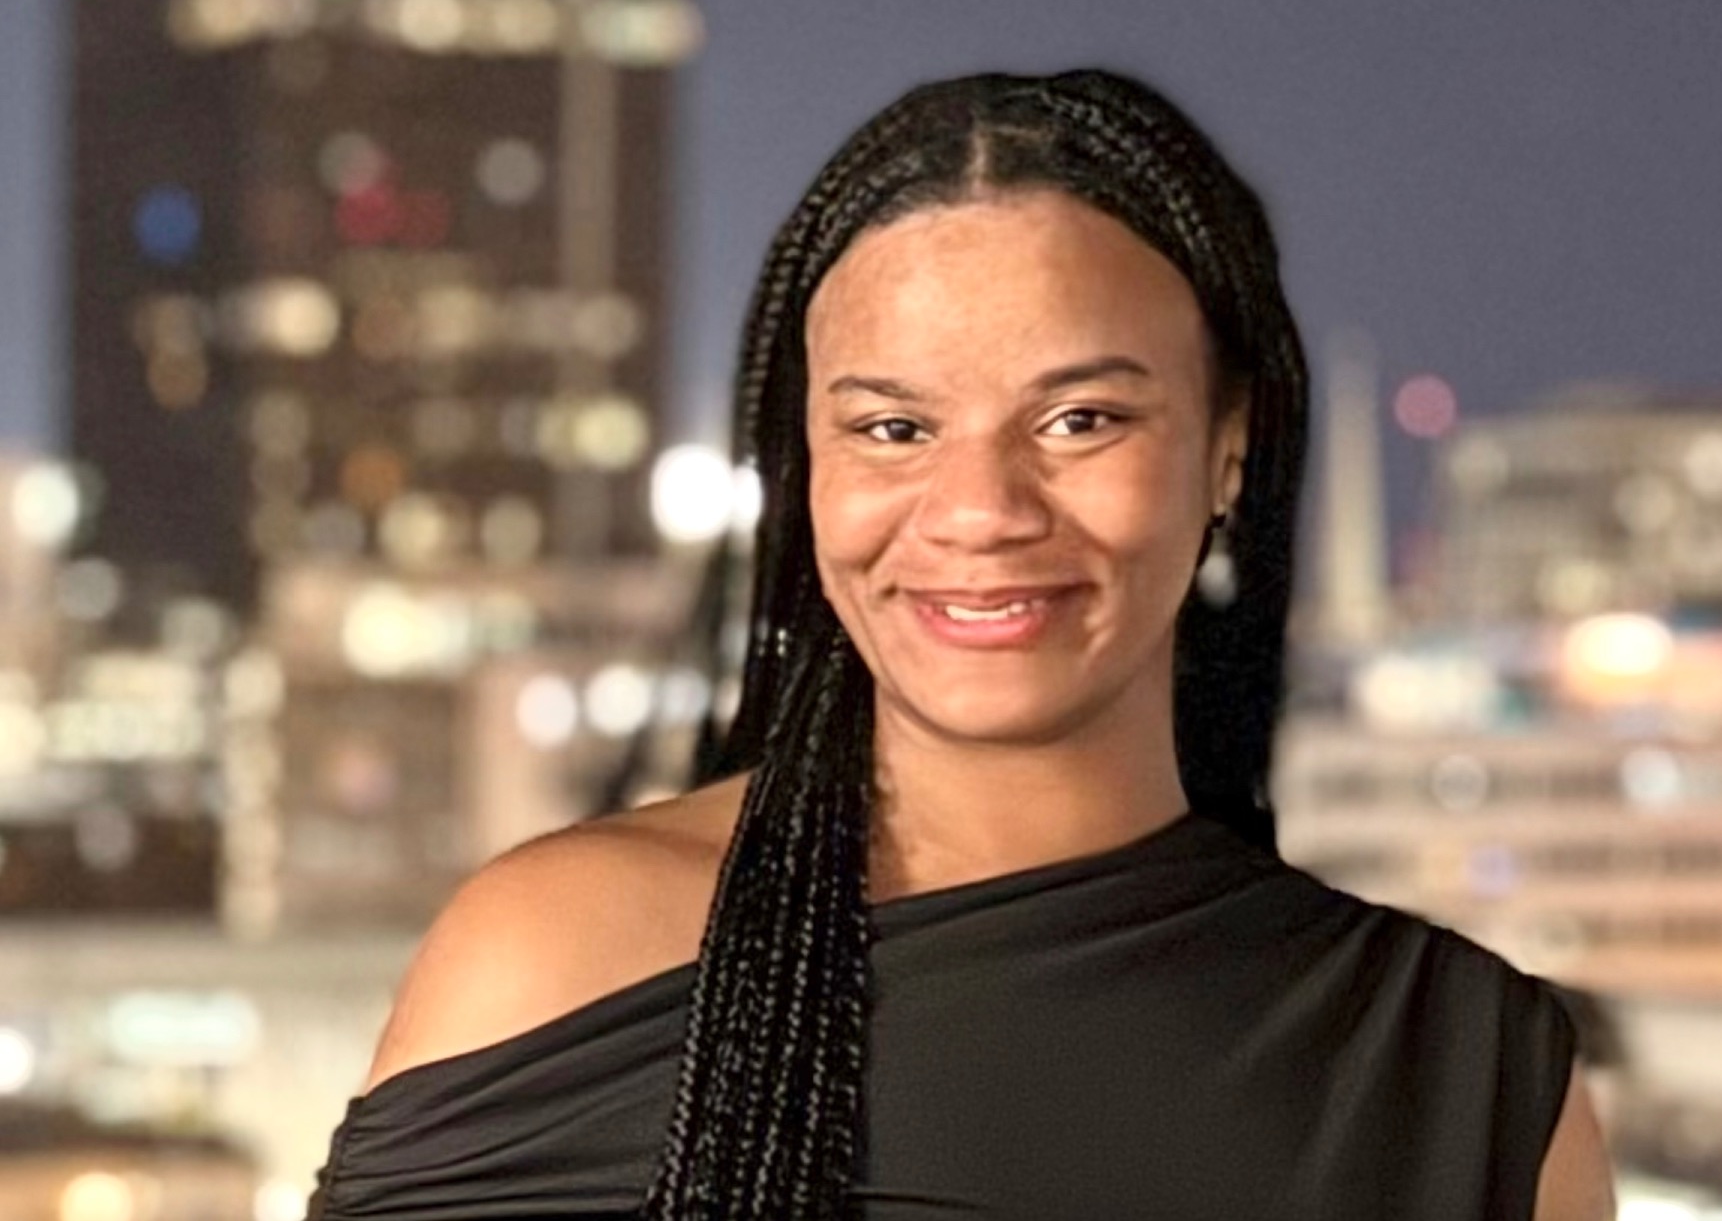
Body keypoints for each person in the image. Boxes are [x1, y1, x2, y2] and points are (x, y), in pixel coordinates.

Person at [306, 68, 1615, 1221]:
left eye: (1082, 420)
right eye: (893, 430)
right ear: (805, 464)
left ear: (1230, 445)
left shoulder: (1466, 1078)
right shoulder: (559, 962)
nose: (981, 511)